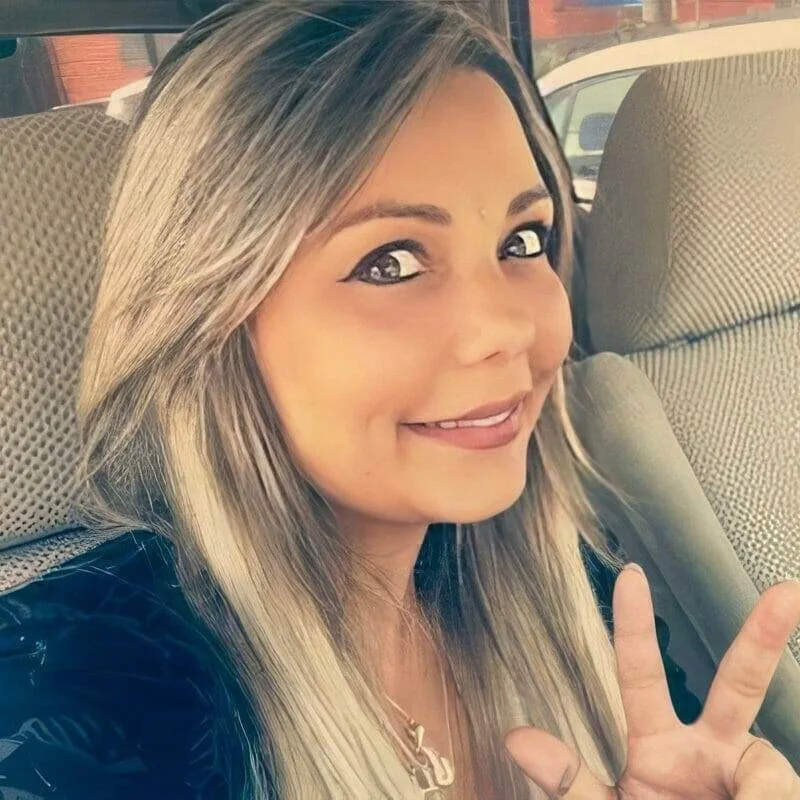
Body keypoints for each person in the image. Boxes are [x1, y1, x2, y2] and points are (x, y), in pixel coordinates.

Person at [0, 1, 798, 798]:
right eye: (390, 262)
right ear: (209, 322)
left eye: (522, 241)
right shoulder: (73, 697)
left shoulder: (575, 586)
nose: (507, 328)